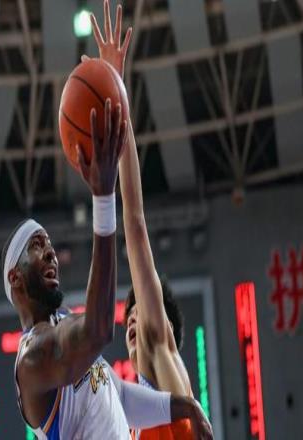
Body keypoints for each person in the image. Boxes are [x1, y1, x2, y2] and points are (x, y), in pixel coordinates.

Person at [2, 97, 206, 439]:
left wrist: (184, 406)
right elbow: (98, 330)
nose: (51, 253)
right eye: (37, 245)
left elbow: (119, 394)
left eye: (50, 245)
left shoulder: (65, 324)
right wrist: (103, 198)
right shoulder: (32, 360)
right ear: (16, 277)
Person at [88, 2, 213, 439]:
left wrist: (115, 90)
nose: (131, 321)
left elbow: (136, 223)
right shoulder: (140, 418)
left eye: (137, 310)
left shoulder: (161, 347)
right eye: (129, 317)